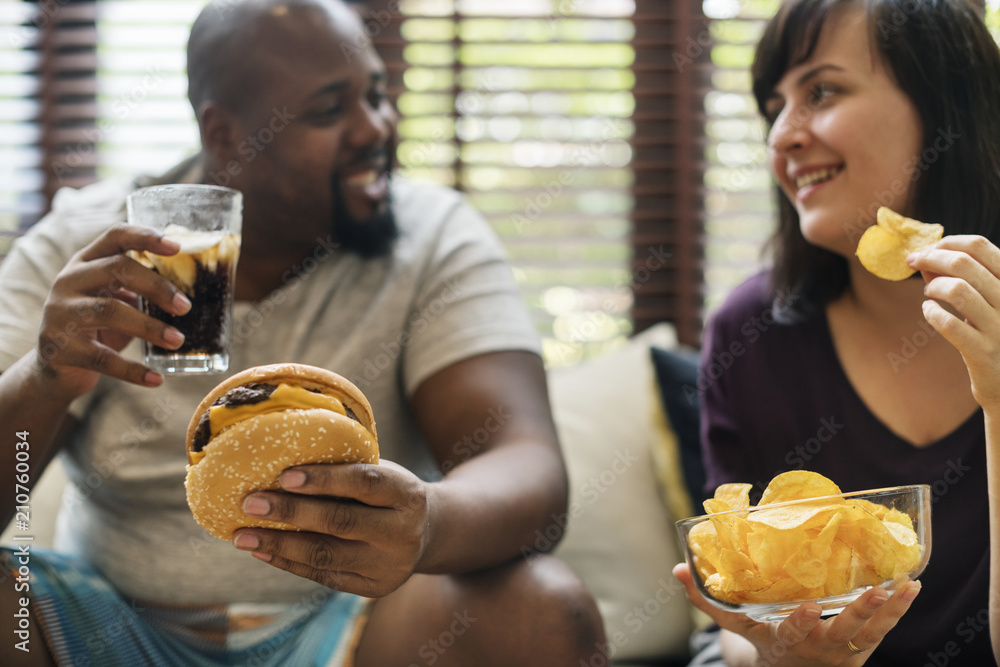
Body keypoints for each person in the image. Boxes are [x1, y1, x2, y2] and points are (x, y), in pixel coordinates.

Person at [0, 0, 607, 665]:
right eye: (328, 111)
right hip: (102, 622)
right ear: (226, 135)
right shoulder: (85, 246)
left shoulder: (434, 235)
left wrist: (428, 522)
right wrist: (45, 377)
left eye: (377, 94)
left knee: (544, 608)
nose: (376, 127)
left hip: (351, 628)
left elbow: (528, 466)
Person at [672, 0, 1000, 665]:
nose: (782, 137)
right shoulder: (748, 335)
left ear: (946, 107)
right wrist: (787, 655)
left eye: (821, 90)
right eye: (774, 108)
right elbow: (742, 622)